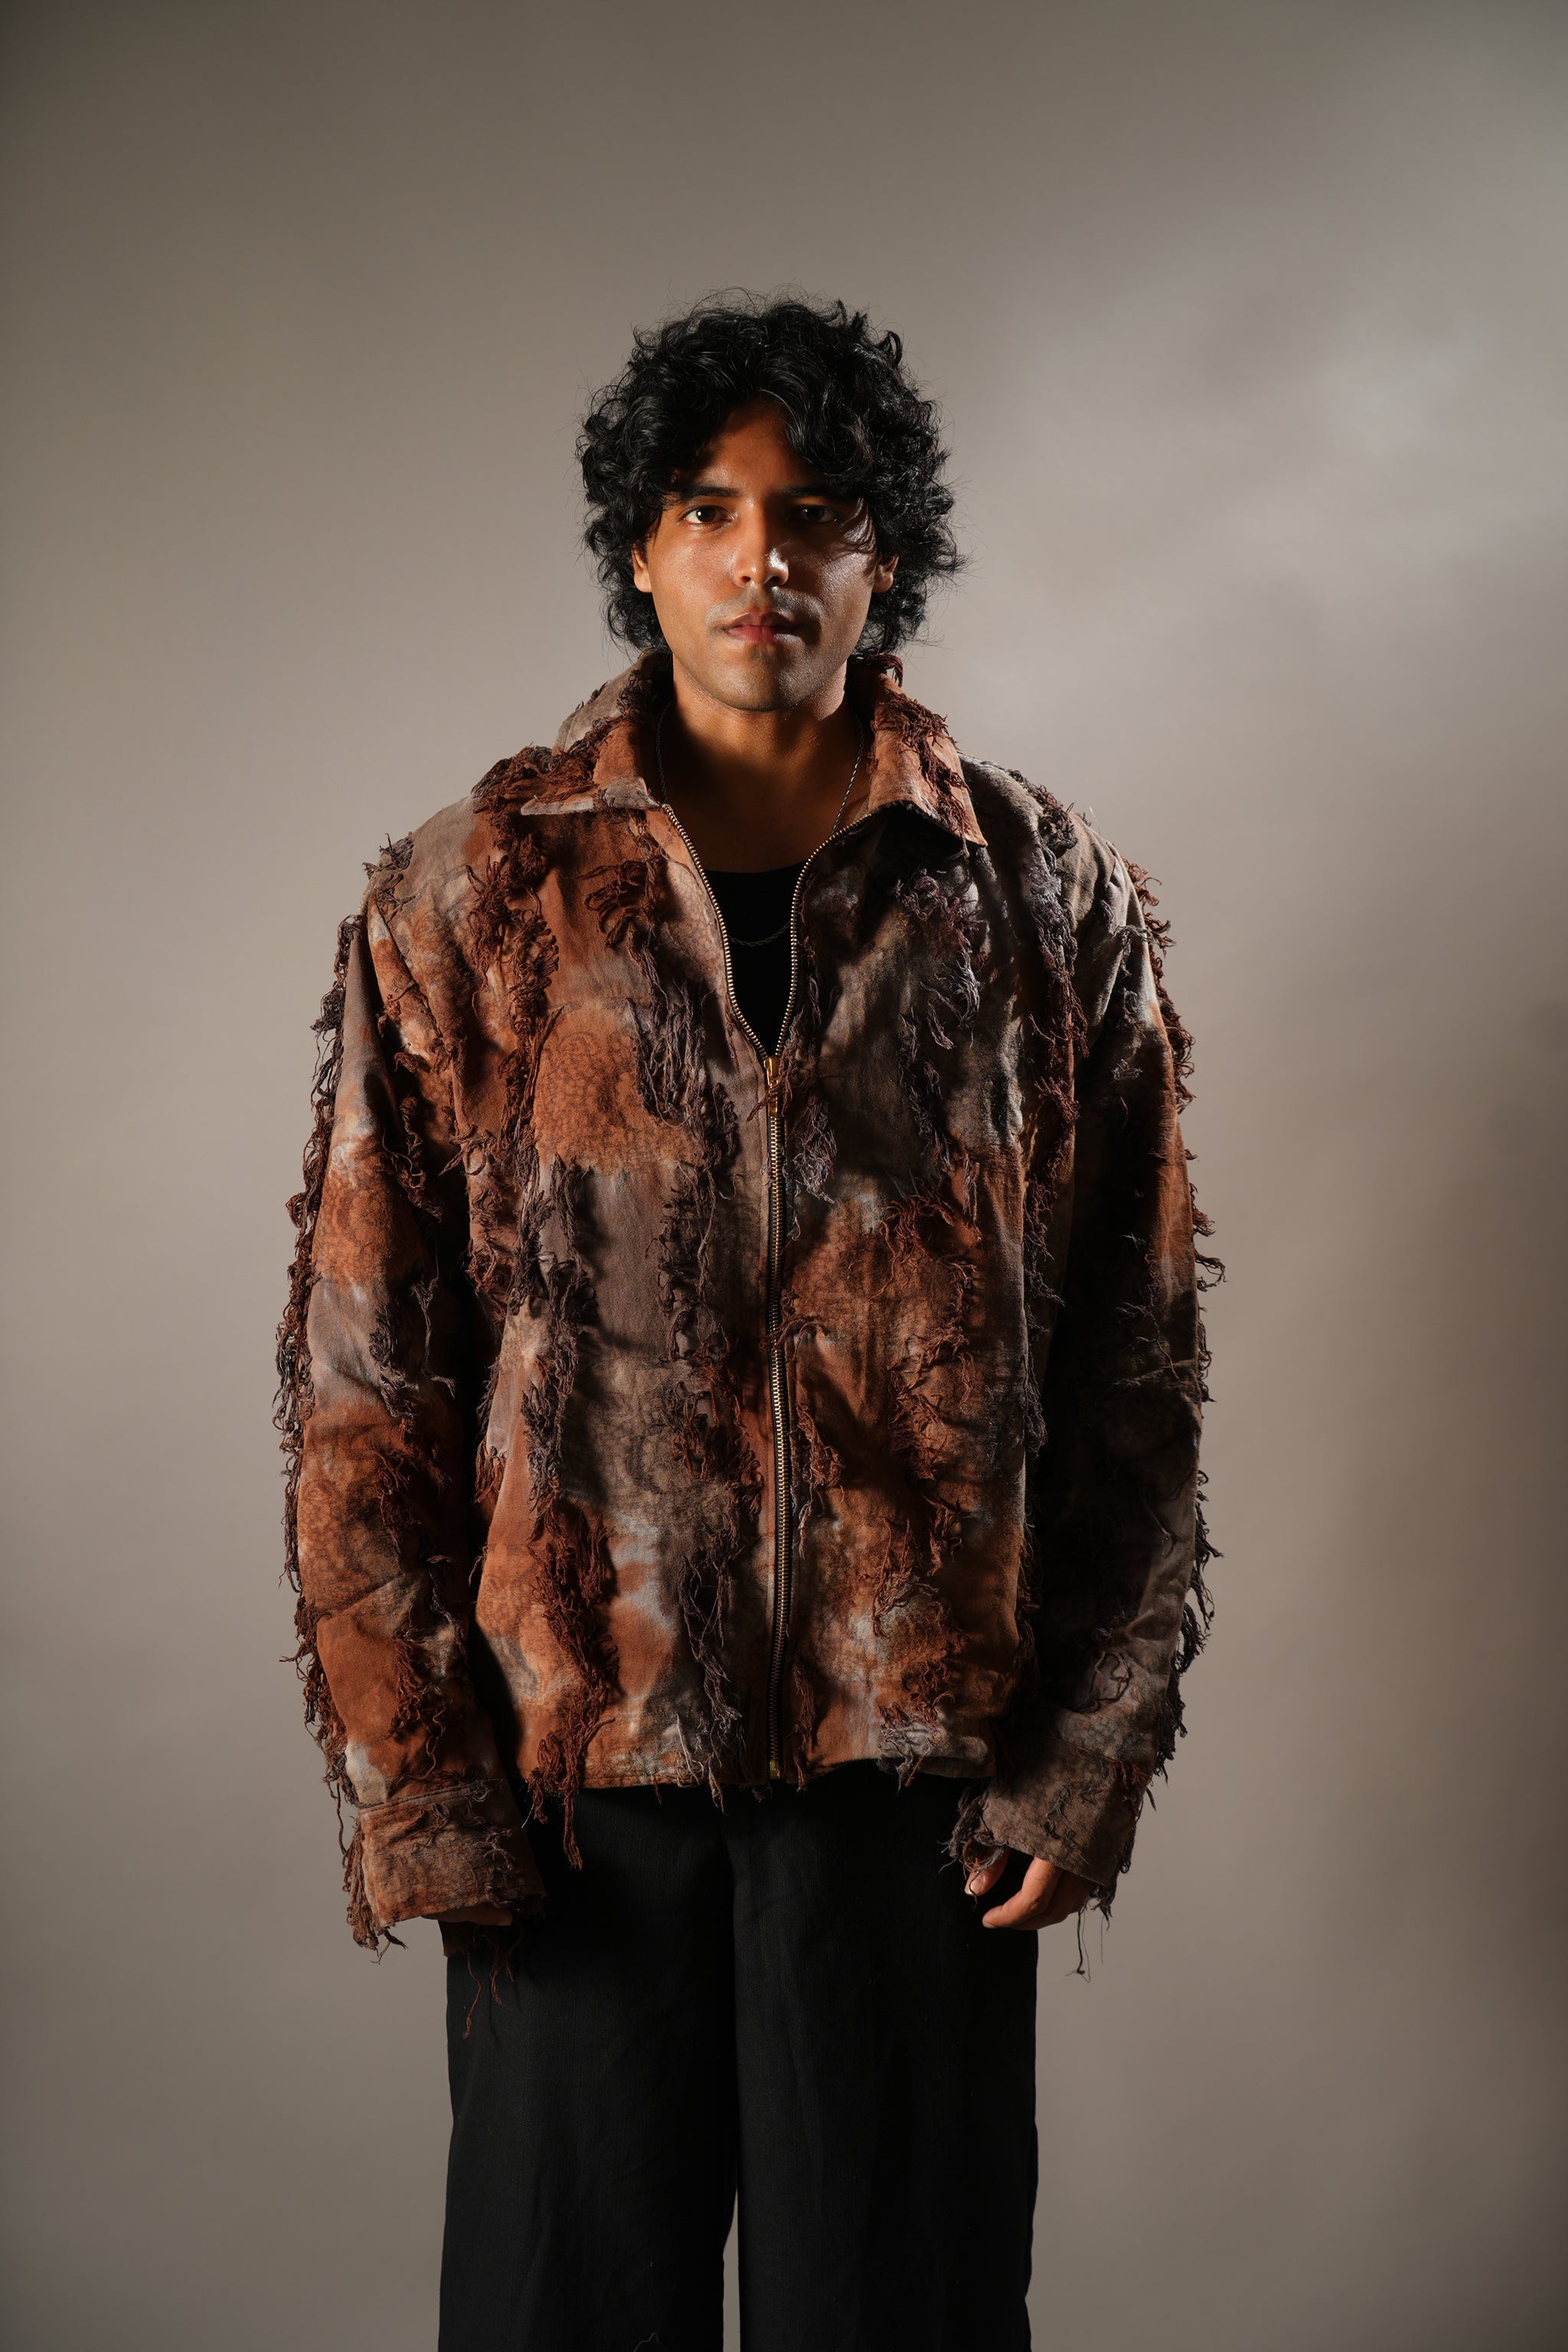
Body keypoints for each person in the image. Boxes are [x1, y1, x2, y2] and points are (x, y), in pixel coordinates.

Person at [277, 294, 1214, 2352]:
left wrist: (1087, 1752)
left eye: (816, 514)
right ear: (642, 546)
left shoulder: (1039, 896)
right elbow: (365, 1373)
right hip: (576, 1785)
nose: (761, 558)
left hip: (916, 1782)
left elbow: (1134, 1370)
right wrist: (422, 1775)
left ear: (890, 556)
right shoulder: (475, 893)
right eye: (709, 509)